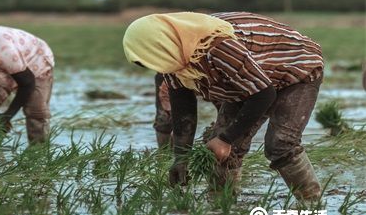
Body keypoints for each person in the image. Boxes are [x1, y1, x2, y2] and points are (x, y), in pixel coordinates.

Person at [123, 12, 324, 201]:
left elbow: (264, 94)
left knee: (280, 143)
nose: (157, 67)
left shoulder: (216, 47)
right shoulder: (174, 57)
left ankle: (311, 203)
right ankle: (222, 205)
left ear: (161, 45)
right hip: (250, 81)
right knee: (220, 147)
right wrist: (181, 157)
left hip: (296, 70)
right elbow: (183, 107)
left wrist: (226, 139)